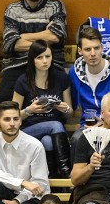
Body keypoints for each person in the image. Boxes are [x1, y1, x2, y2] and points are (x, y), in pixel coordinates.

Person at [0, 0, 66, 103]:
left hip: (50, 63)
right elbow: (11, 44)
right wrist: (44, 37)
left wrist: (23, 36)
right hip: (18, 65)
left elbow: (55, 37)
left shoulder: (55, 6)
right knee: (4, 99)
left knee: (57, 103)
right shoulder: (12, 9)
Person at [0, 100, 49, 204]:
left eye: (15, 119)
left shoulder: (35, 146)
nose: (12, 124)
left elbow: (39, 186)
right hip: (7, 191)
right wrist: (22, 182)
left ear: (21, 121)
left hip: (32, 198)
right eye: (7, 119)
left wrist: (18, 200)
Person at [11, 40, 72, 173]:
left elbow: (70, 113)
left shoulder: (61, 78)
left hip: (55, 132)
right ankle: (66, 172)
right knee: (55, 125)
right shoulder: (23, 81)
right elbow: (13, 116)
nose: (45, 61)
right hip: (29, 129)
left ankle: (52, 178)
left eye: (48, 56)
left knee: (48, 142)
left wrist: (65, 108)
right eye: (39, 57)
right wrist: (29, 110)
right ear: (32, 59)